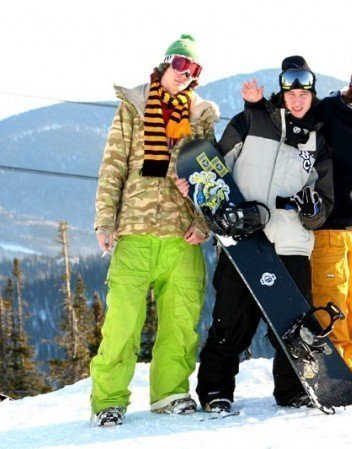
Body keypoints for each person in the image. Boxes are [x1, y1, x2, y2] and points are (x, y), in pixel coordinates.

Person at [178, 55, 334, 413]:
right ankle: (216, 391)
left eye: (304, 94)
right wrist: (196, 188)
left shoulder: (318, 140)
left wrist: (313, 211)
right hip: (243, 241)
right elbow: (215, 168)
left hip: (292, 243)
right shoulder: (251, 120)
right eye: (291, 93)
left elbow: (323, 205)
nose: (297, 100)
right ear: (282, 92)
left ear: (312, 95)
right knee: (231, 322)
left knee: (293, 326)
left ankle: (293, 390)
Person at [243, 47, 352, 388]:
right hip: (330, 225)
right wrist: (256, 106)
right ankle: (333, 367)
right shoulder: (328, 111)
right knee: (334, 301)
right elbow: (290, 116)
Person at [90, 34, 219, 426]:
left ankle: (170, 393)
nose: (186, 74)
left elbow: (211, 175)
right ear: (166, 63)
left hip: (182, 234)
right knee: (122, 323)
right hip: (135, 229)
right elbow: (113, 166)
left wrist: (203, 223)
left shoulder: (201, 116)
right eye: (181, 65)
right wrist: (105, 220)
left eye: (194, 70)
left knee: (181, 320)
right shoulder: (133, 106)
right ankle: (108, 400)